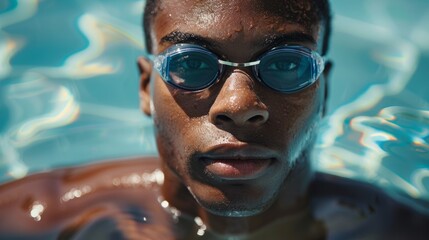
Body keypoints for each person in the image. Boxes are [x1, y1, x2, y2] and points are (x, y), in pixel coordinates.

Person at [0, 0, 428, 239]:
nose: (239, 104)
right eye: (190, 64)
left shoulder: (402, 229)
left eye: (287, 66)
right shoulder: (36, 217)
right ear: (145, 87)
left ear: (324, 91)